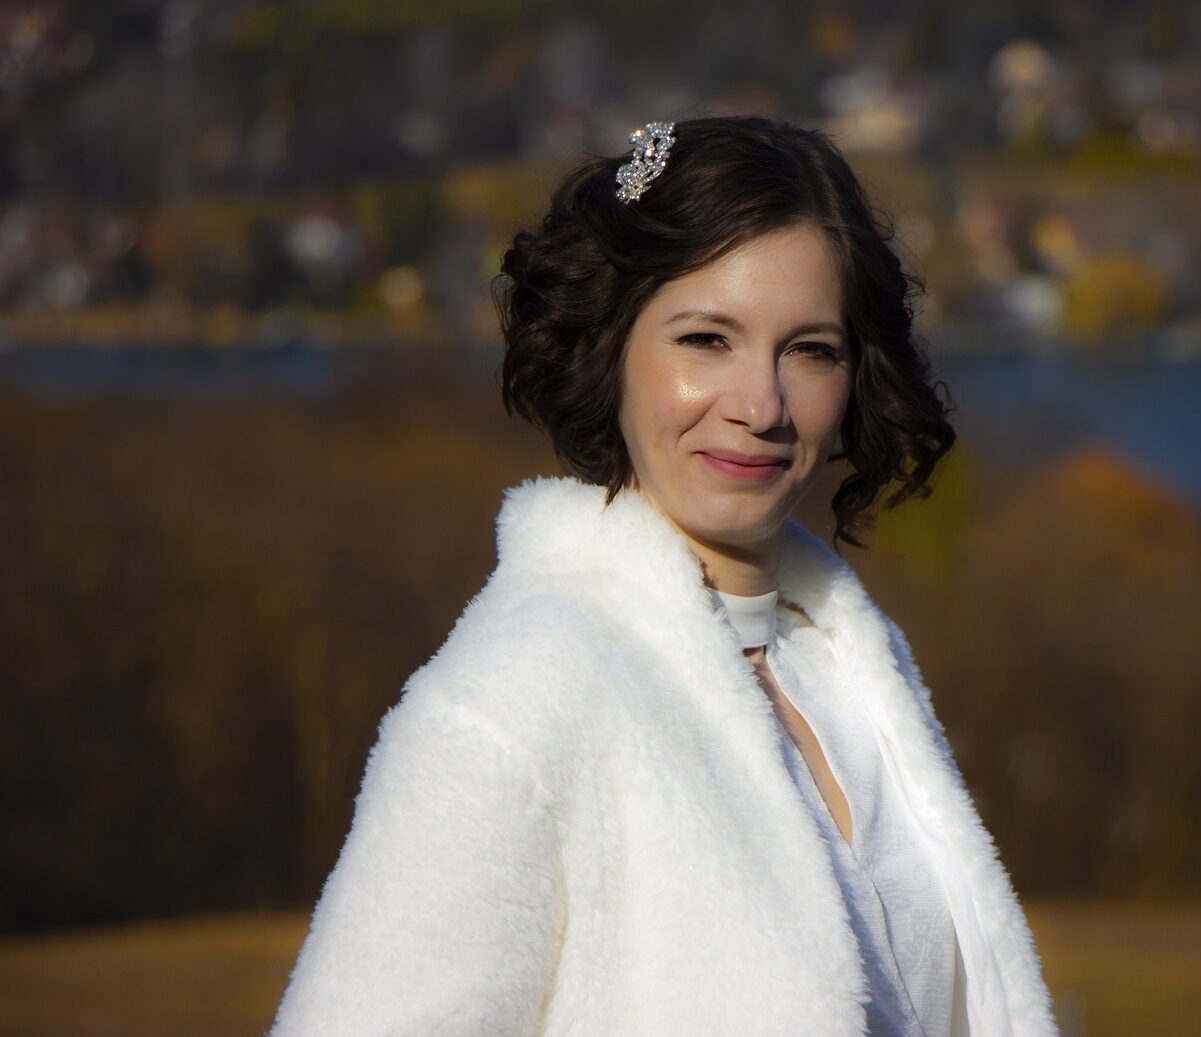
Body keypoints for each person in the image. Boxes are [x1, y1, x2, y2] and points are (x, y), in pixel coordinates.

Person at [270, 115, 1059, 1036]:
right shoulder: (514, 698)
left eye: (810, 349)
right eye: (706, 339)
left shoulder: (854, 670)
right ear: (610, 345)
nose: (760, 405)